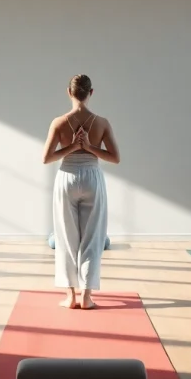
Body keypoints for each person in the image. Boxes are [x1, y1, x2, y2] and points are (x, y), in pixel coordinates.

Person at [42, 75, 120, 310]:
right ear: (91, 93)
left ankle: (71, 297)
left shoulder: (58, 122)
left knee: (66, 237)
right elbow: (115, 158)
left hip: (66, 176)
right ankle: (86, 297)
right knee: (93, 238)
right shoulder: (102, 123)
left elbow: (47, 158)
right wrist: (89, 147)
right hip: (92, 177)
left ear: (69, 92)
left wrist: (72, 147)